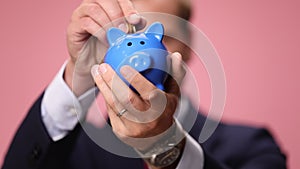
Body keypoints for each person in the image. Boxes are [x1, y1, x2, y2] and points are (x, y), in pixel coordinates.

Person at [2, 0, 286, 169]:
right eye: (130, 37)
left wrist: (166, 149)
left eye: (161, 37)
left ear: (188, 48)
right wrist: (80, 73)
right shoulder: (74, 154)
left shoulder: (250, 145)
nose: (141, 54)